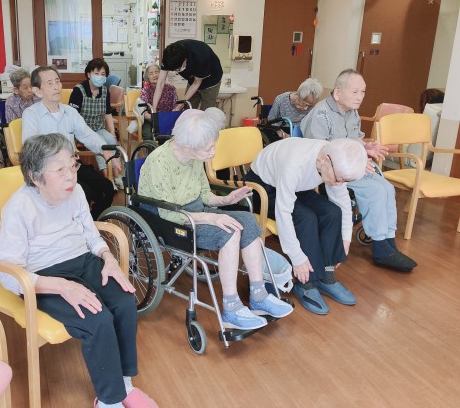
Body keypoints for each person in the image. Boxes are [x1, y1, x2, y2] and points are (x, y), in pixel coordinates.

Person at [0, 133, 157, 408]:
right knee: (97, 318)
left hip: (83, 260)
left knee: (124, 301)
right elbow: (8, 274)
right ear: (35, 177)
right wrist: (62, 286)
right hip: (43, 275)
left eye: (72, 165)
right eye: (60, 170)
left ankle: (124, 385)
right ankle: (108, 400)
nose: (70, 176)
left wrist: (108, 258)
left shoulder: (76, 191)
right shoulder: (18, 208)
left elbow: (91, 235)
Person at [138, 109, 293, 330]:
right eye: (209, 148)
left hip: (197, 212)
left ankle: (259, 295)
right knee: (230, 232)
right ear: (188, 145)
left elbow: (204, 195)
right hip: (172, 221)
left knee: (248, 221)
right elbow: (169, 214)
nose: (213, 153)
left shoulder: (193, 156)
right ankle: (231, 308)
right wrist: (210, 218)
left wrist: (226, 199)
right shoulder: (159, 163)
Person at [301, 69, 417, 272]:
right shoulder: (321, 114)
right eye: (355, 92)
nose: (360, 97)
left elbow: (354, 139)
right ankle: (381, 249)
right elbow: (321, 154)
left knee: (387, 188)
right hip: (329, 170)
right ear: (338, 93)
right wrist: (358, 161)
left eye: (363, 91)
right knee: (375, 191)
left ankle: (389, 242)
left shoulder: (352, 112)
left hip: (350, 164)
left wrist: (366, 147)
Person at [244, 138, 368, 315]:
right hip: (262, 188)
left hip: (296, 187)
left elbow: (342, 203)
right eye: (338, 179)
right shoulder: (295, 165)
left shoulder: (333, 161)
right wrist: (297, 258)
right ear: (324, 160)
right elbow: (284, 212)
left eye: (343, 180)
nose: (338, 184)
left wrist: (345, 239)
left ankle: (326, 277)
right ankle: (305, 283)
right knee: (305, 218)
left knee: (332, 213)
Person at [22, 66, 116, 220]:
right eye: (50, 83)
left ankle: (91, 223)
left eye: (57, 82)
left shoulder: (70, 112)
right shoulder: (31, 114)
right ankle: (75, 226)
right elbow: (30, 146)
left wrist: (104, 149)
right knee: (84, 192)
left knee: (107, 188)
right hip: (50, 171)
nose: (56, 87)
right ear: (38, 91)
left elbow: (87, 134)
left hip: (72, 166)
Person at [69, 58, 120, 183]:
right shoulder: (78, 90)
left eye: (103, 74)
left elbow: (108, 114)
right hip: (82, 130)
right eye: (96, 73)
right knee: (101, 143)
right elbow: (72, 117)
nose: (100, 77)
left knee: (110, 141)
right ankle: (107, 178)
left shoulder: (105, 91)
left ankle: (117, 175)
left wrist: (113, 133)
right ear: (89, 74)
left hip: (98, 127)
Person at [152, 40, 223, 112]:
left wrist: (179, 106)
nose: (176, 71)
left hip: (211, 81)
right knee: (188, 110)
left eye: (178, 69)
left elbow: (196, 83)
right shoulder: (169, 56)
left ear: (185, 60)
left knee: (206, 112)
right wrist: (154, 109)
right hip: (193, 80)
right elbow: (160, 83)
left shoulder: (201, 56)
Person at [139, 64, 178, 139]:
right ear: (147, 77)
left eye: (157, 72)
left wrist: (168, 119)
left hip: (168, 119)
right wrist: (157, 120)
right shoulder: (145, 91)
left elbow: (175, 107)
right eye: (151, 73)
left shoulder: (171, 89)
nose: (155, 75)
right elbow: (144, 114)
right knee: (148, 135)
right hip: (151, 120)